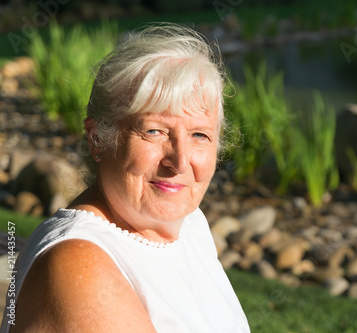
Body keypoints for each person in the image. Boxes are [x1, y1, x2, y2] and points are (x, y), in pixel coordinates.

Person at [1, 24, 250, 332]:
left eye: (199, 134)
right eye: (154, 131)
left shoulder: (190, 225)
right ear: (97, 139)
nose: (180, 161)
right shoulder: (79, 263)